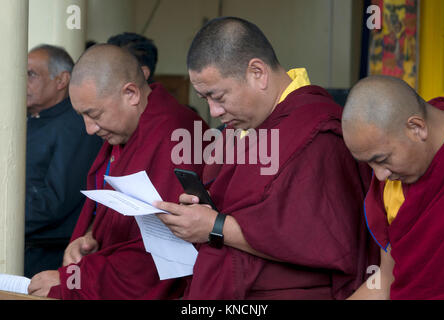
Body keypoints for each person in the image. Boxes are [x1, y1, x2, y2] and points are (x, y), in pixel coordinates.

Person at [154, 17, 379, 299]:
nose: (214, 111)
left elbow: (317, 238)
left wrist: (214, 226)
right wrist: (201, 208)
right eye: (205, 99)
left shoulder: (319, 133)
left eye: (218, 96)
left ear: (257, 73)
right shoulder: (240, 128)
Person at [27, 44, 208, 299]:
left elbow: (162, 254)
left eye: (94, 114)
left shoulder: (177, 135)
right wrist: (89, 236)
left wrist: (71, 281)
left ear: (131, 93)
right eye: (82, 116)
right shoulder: (125, 134)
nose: (89, 129)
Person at [342, 75, 444, 300]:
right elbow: (385, 280)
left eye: (382, 159)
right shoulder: (392, 186)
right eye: (369, 164)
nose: (380, 175)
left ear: (416, 127)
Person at [25, 44, 102, 278]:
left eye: (31, 74)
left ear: (61, 80)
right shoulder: (31, 118)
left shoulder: (74, 126)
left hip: (46, 253)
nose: (23, 82)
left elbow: (55, 201)